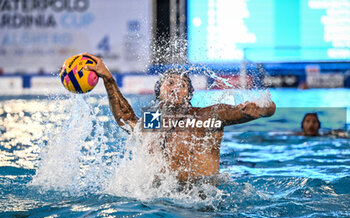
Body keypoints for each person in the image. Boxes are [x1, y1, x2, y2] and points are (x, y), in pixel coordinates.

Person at [83, 53, 276, 183]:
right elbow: (127, 119)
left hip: (200, 203)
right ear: (158, 92)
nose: (176, 87)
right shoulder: (153, 120)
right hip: (158, 203)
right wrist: (108, 79)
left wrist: (258, 109)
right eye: (170, 83)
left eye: (183, 85)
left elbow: (264, 109)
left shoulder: (204, 116)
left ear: (189, 95)